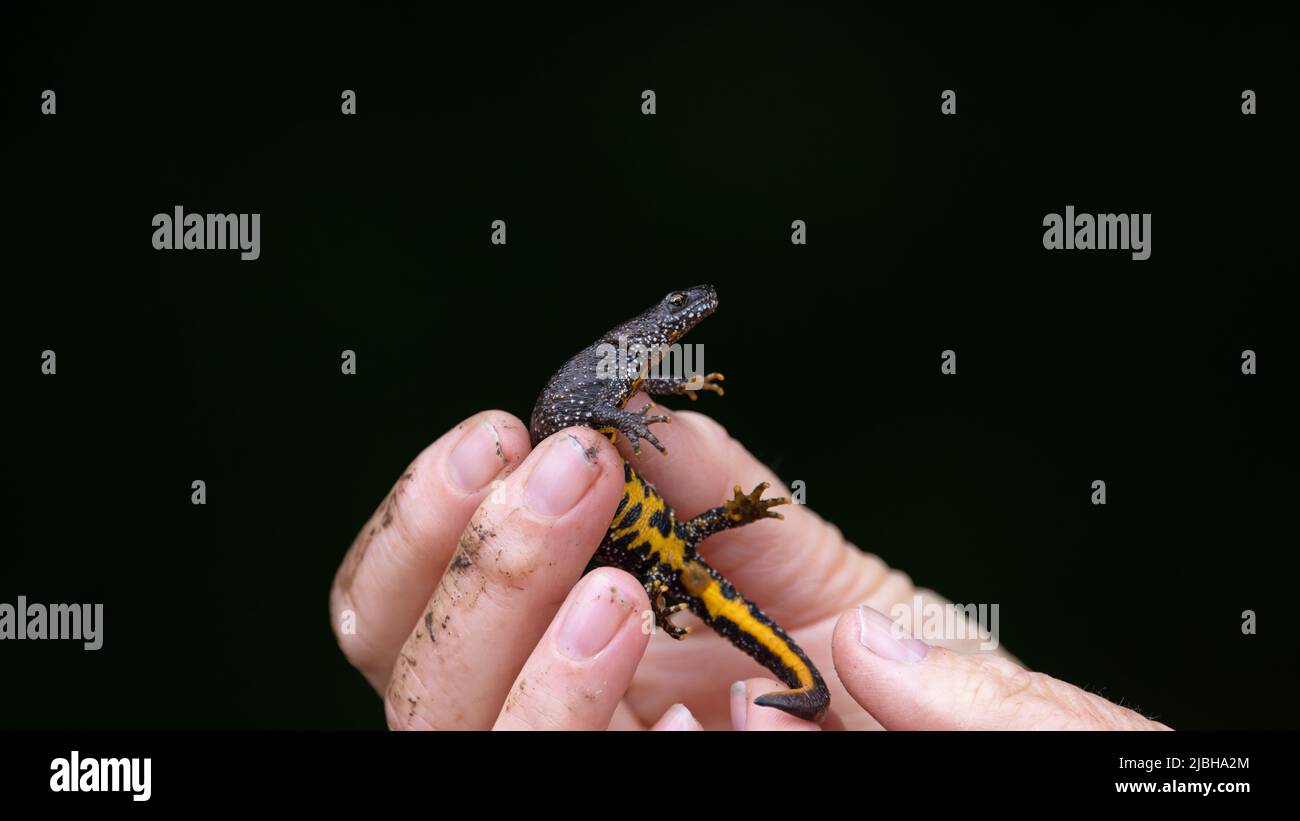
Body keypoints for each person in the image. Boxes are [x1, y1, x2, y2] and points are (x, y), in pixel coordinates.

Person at [330, 400, 1168, 731]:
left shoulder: (613, 433)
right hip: (674, 569)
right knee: (679, 577)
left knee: (696, 576)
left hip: (682, 564)